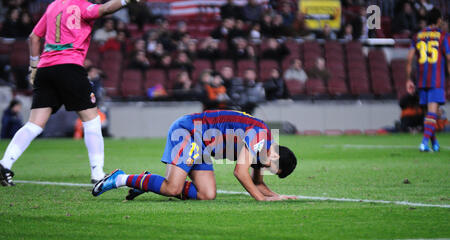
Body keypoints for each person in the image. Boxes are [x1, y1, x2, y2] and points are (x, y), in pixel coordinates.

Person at [0, 0, 140, 187]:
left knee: (34, 124)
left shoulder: (53, 6)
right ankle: (98, 174)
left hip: (45, 69)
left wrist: (33, 66)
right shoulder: (81, 6)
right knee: (92, 120)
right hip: (69, 66)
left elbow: (33, 37)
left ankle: (4, 164)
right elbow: (106, 8)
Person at [92, 110, 298, 201]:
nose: (264, 170)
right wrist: (261, 200)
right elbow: (240, 172)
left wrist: (276, 196)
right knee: (172, 188)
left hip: (203, 145)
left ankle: (145, 182)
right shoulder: (260, 136)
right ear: (274, 157)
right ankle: (120, 178)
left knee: (207, 194)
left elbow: (258, 184)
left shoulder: (264, 148)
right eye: (270, 168)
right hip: (191, 131)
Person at [406, 8, 450, 152]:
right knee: (432, 113)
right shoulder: (443, 36)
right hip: (436, 80)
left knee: (428, 115)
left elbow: (409, 59)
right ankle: (424, 143)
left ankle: (435, 143)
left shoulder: (417, 36)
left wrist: (408, 80)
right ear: (438, 20)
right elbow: (449, 59)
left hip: (422, 80)